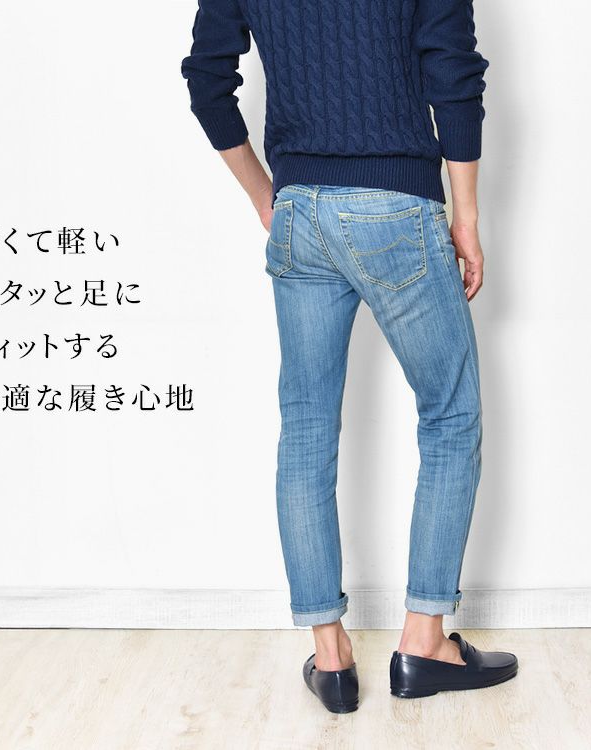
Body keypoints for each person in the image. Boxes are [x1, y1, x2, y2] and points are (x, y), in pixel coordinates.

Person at [181, 0, 518, 711]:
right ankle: (423, 643)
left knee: (306, 431)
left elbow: (207, 80)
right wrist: (466, 217)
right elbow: (452, 72)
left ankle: (330, 659)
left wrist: (268, 197)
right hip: (396, 205)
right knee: (450, 417)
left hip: (300, 211)